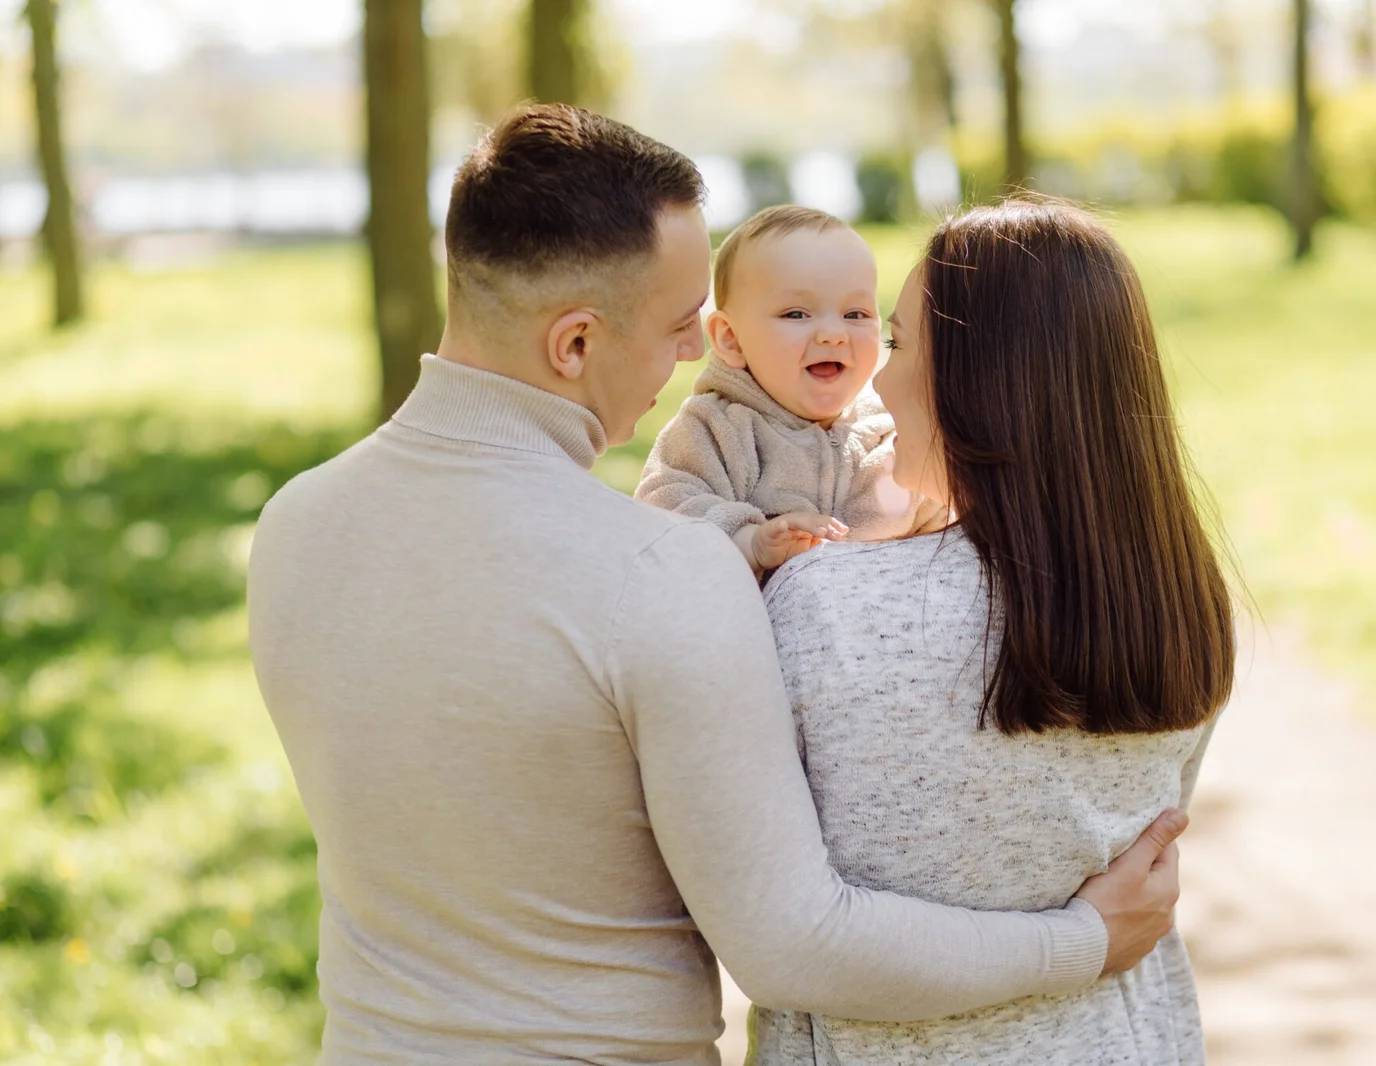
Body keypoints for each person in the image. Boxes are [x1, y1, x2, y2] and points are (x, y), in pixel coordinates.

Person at [247, 104, 1188, 1066]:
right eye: (675, 326)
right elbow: (796, 941)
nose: (701, 353)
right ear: (574, 345)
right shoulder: (660, 572)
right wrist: (1081, 940)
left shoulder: (293, 526)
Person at [750, 198, 1236, 1065]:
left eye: (897, 344)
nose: (874, 379)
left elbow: (782, 936)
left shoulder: (824, 606)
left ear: (978, 383)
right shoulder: (1174, 606)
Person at [637, 205, 945, 573]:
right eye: (797, 314)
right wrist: (750, 541)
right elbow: (664, 505)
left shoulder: (890, 429)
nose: (833, 333)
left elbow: (946, 514)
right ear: (731, 339)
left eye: (855, 314)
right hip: (765, 624)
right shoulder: (715, 428)